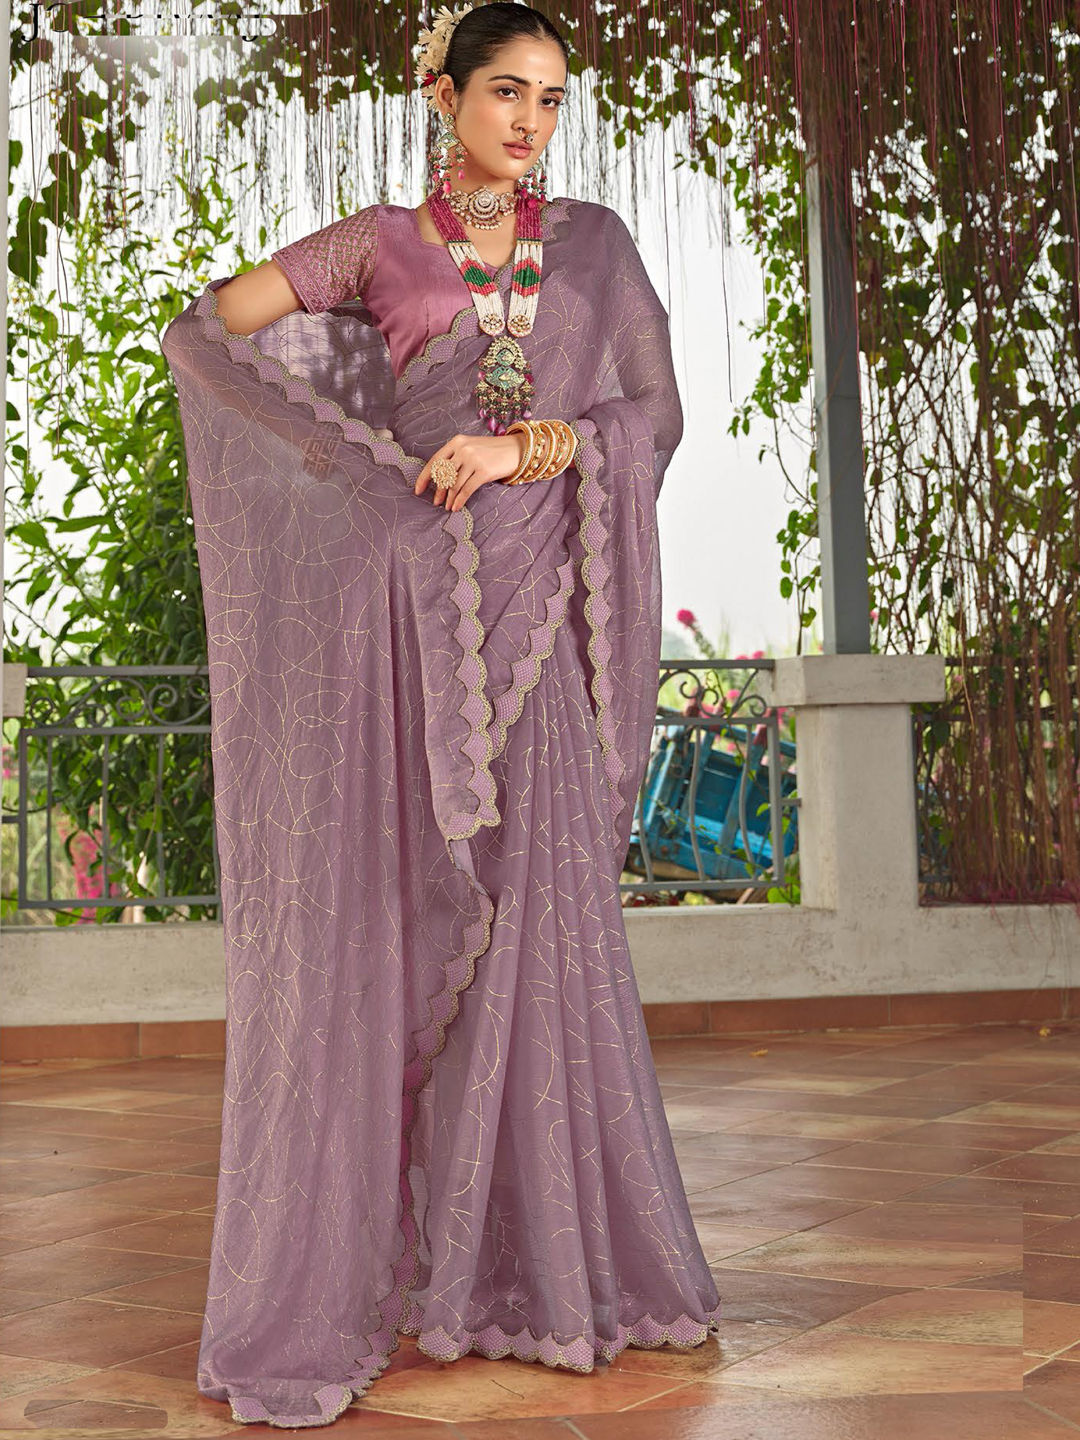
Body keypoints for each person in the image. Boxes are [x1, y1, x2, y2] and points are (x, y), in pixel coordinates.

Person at [160, 0, 722, 1428]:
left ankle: (530, 1268)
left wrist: (526, 445)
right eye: (508, 92)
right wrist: (351, 479)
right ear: (444, 91)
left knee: (544, 917)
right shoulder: (376, 246)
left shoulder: (593, 245)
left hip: (544, 622)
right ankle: (408, 1265)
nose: (532, 123)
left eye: (552, 99)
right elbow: (206, 335)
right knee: (403, 922)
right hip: (420, 626)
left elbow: (652, 417)